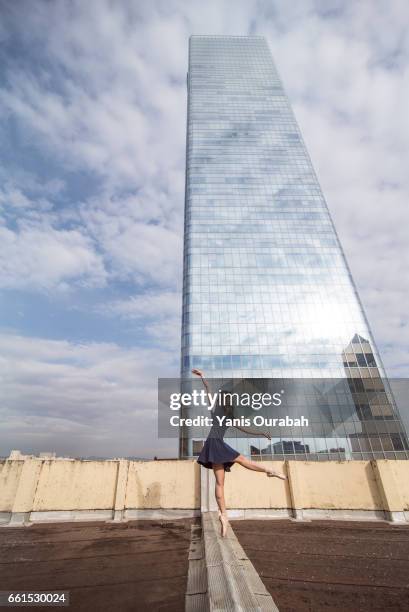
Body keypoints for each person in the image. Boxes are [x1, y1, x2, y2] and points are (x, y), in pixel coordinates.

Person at [192, 368, 286, 537]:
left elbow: (208, 390)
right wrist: (260, 432)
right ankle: (269, 471)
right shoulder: (227, 414)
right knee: (241, 460)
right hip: (217, 444)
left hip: (212, 445)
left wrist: (203, 377)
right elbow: (246, 429)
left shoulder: (219, 411)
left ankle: (224, 516)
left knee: (220, 483)